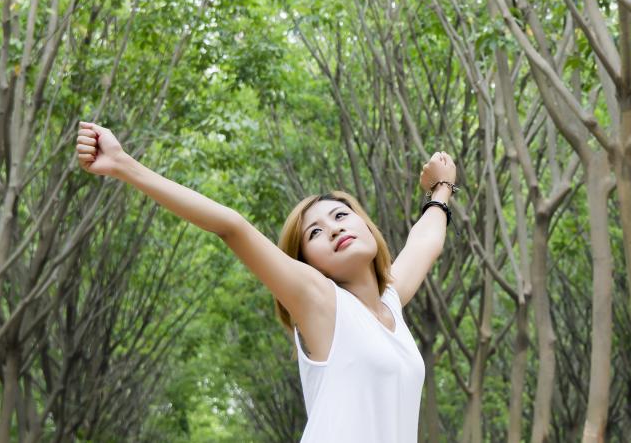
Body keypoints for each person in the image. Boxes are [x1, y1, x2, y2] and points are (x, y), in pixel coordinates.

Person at [75, 121, 455, 442]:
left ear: (366, 227)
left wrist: (441, 188)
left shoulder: (389, 304)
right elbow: (231, 226)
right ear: (307, 264)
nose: (335, 228)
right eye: (316, 233)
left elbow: (426, 241)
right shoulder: (322, 302)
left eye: (341, 215)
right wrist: (123, 164)